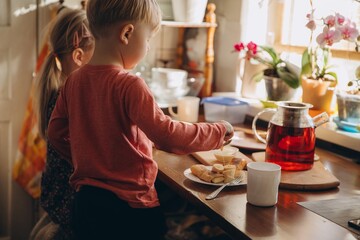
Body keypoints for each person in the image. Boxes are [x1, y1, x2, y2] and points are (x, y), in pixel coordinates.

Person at [47, 0, 234, 239]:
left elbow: (55, 134)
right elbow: (168, 135)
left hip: (86, 204)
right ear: (127, 33)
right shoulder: (129, 84)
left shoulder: (73, 81)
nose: (147, 47)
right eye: (147, 40)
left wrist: (86, 157)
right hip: (130, 209)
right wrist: (217, 132)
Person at [32, 8, 94, 240]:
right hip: (71, 206)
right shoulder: (72, 100)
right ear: (78, 56)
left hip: (56, 199)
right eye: (100, 55)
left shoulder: (59, 91)